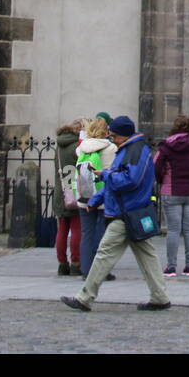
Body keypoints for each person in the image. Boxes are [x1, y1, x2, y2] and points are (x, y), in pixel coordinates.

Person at [60, 115, 173, 312]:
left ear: (122, 135)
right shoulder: (130, 149)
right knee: (147, 255)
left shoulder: (135, 151)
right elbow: (115, 181)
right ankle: (160, 297)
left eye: (113, 136)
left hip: (126, 211)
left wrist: (104, 175)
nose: (111, 138)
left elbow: (130, 180)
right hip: (130, 210)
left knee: (105, 253)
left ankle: (85, 297)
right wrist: (96, 200)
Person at [155, 114, 189, 277]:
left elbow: (156, 166)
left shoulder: (166, 146)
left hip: (171, 191)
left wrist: (162, 180)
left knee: (173, 230)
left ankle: (171, 267)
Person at [75, 116, 118, 278]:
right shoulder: (111, 148)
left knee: (86, 234)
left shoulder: (80, 149)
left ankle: (86, 270)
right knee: (102, 235)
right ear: (106, 131)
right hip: (102, 196)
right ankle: (101, 271)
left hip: (84, 196)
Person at [53, 120, 85, 275]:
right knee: (76, 229)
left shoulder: (59, 147)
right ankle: (76, 262)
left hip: (60, 193)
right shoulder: (77, 147)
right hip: (74, 192)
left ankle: (62, 263)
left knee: (62, 230)